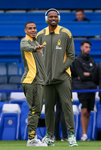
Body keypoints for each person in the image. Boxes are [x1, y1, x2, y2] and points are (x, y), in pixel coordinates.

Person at [36, 8, 78, 147]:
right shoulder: (40, 35)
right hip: (47, 79)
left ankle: (71, 135)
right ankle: (49, 136)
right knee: (48, 108)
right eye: (50, 16)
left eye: (55, 16)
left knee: (67, 106)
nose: (53, 18)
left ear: (58, 18)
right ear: (46, 18)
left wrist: (61, 69)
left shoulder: (66, 33)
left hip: (63, 78)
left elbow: (71, 55)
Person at [20, 21, 47, 147]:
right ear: (25, 30)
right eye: (30, 28)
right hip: (31, 80)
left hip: (39, 81)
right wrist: (34, 48)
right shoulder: (25, 41)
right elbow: (25, 47)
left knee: (37, 110)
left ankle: (33, 137)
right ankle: (31, 139)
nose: (33, 30)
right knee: (34, 110)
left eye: (34, 28)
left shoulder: (37, 42)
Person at [72, 40, 96, 141]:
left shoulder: (92, 60)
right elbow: (81, 75)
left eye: (89, 47)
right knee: (84, 111)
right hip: (82, 88)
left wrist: (87, 74)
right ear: (81, 48)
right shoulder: (77, 60)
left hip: (92, 88)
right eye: (86, 47)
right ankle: (83, 135)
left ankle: (85, 135)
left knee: (89, 111)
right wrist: (87, 74)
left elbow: (95, 75)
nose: (88, 49)